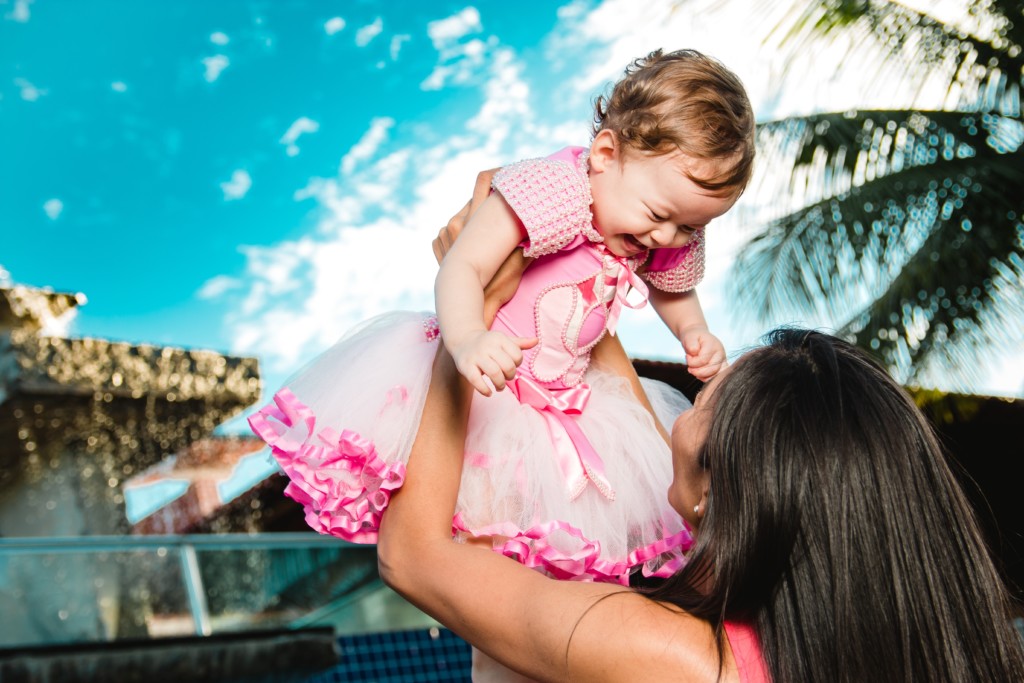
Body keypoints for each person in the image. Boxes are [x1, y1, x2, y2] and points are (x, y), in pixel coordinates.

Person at [248, 47, 755, 587]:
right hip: (490, 384)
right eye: (659, 216)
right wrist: (468, 338)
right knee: (476, 537)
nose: (665, 239)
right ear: (605, 153)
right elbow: (462, 264)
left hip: (568, 401)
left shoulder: (654, 223)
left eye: (689, 229)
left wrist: (692, 331)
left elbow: (673, 286)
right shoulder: (553, 190)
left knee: (551, 549)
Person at [376, 326, 1024, 682]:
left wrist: (460, 334)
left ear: (722, 492)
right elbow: (653, 436)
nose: (682, 408)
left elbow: (413, 556)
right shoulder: (931, 639)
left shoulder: (674, 657)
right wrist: (590, 301)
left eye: (704, 401)